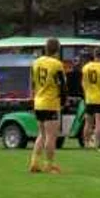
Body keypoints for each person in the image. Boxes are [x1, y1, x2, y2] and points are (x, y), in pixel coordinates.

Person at [29, 38, 67, 174]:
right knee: (51, 136)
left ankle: (34, 162)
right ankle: (49, 165)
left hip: (38, 102)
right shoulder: (57, 64)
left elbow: (32, 83)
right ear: (57, 49)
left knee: (42, 134)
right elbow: (62, 85)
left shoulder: (36, 62)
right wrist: (63, 101)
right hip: (51, 102)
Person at [82, 49, 100, 149]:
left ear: (94, 55)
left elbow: (83, 83)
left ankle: (86, 144)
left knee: (88, 123)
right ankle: (97, 145)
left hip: (89, 99)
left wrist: (86, 93)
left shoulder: (86, 67)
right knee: (99, 123)